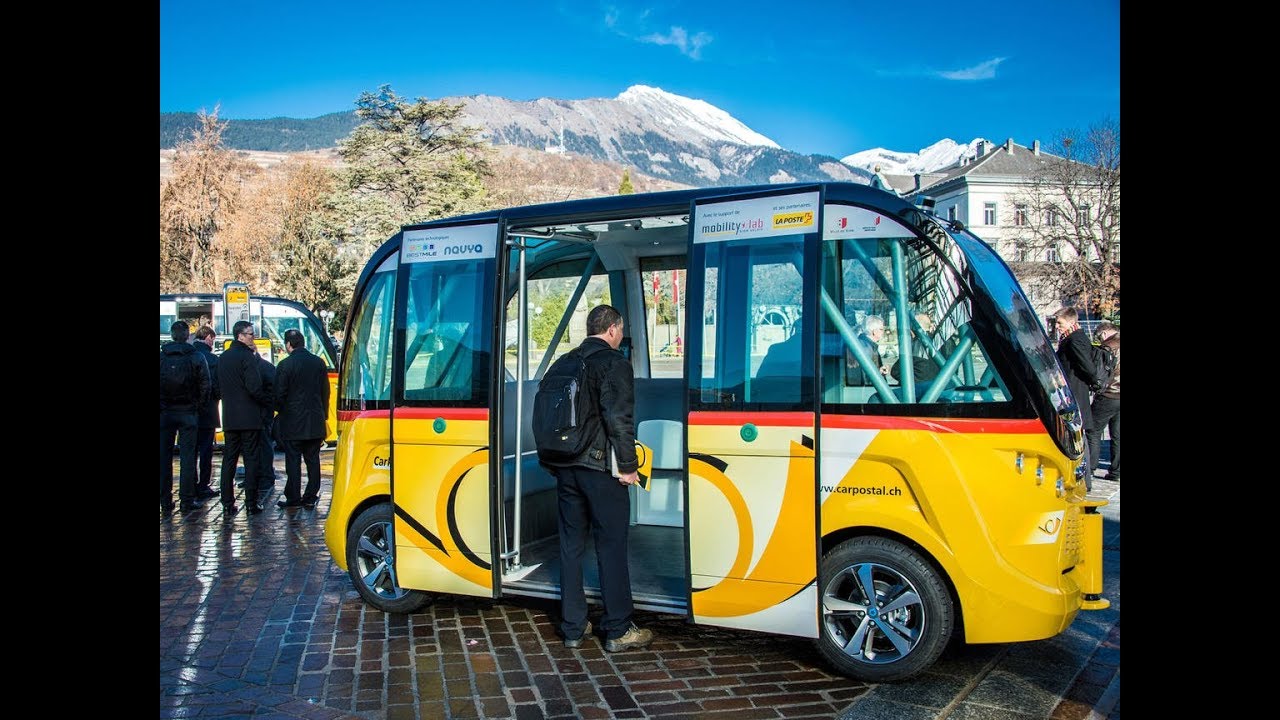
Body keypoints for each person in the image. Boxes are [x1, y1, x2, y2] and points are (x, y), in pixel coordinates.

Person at [541, 304, 654, 653]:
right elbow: (619, 420)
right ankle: (618, 628)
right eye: (620, 330)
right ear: (614, 329)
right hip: (601, 469)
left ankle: (574, 627)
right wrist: (629, 465)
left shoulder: (564, 363)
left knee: (570, 546)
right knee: (611, 545)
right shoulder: (614, 363)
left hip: (565, 467)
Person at [218, 321, 271, 515]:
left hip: (230, 417)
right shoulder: (247, 357)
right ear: (240, 336)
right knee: (251, 460)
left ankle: (226, 501)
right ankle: (251, 502)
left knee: (229, 460)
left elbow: (218, 386)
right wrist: (266, 401)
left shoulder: (223, 357)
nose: (253, 337)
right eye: (250, 334)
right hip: (249, 416)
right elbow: (254, 387)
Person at [275, 329, 331, 509]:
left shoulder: (285, 365)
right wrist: (323, 415)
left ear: (288, 345)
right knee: (313, 460)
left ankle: (293, 496)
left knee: (293, 461)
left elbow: (279, 394)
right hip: (315, 420)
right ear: (303, 343)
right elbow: (325, 392)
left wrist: (279, 411)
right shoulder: (318, 363)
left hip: (293, 422)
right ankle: (311, 495)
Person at [160, 321, 211, 514]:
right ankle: (187, 499)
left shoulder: (162, 357)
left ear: (172, 335)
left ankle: (165, 500)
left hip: (165, 413)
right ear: (187, 335)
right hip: (188, 412)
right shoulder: (196, 357)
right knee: (188, 457)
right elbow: (205, 385)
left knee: (164, 457)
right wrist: (198, 406)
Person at [1052, 307, 1097, 438]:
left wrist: (1095, 383)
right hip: (1072, 390)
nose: (1057, 326)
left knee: (1076, 432)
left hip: (1074, 391)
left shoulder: (1074, 339)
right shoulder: (1070, 337)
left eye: (1060, 323)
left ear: (1071, 322)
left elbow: (1087, 367)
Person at [1086, 323, 1120, 481]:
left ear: (1105, 333)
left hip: (1108, 394)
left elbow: (1099, 371)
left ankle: (1090, 467)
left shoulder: (1108, 346)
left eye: (1099, 337)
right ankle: (1116, 471)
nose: (1099, 340)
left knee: (1093, 431)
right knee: (1117, 435)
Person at [192, 326, 221, 500]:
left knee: (190, 451)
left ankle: (189, 485)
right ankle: (203, 485)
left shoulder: (188, 356)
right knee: (205, 451)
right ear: (209, 338)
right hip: (208, 411)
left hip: (188, 412)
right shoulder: (212, 359)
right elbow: (217, 387)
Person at [891, 313, 941, 384]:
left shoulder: (912, 346)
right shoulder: (940, 342)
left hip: (916, 389)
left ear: (912, 329)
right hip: (939, 387)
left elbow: (895, 371)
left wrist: (911, 381)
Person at [846, 315, 888, 385]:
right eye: (881, 329)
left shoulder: (867, 345)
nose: (883, 332)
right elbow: (864, 375)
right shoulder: (865, 347)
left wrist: (879, 371)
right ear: (874, 331)